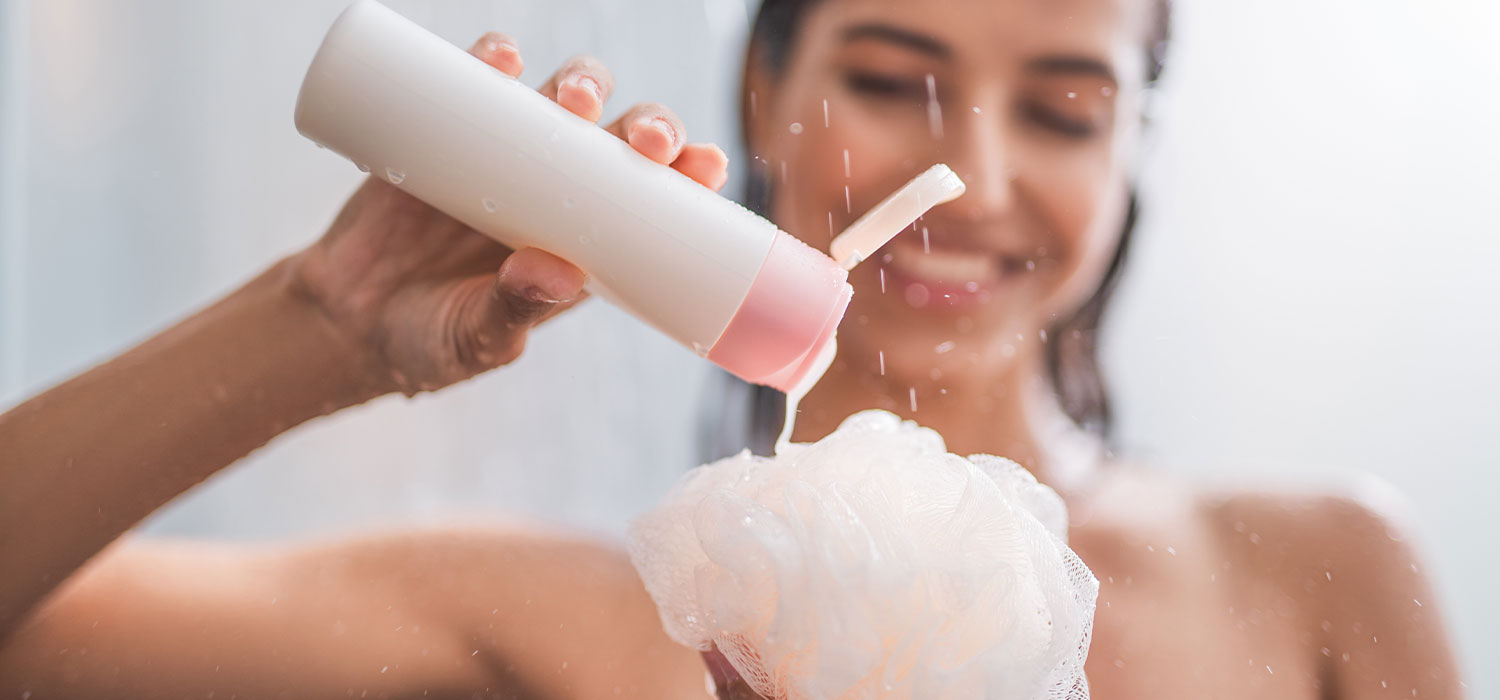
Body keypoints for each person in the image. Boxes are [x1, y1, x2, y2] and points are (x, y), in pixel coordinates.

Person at [0, 0, 1465, 698]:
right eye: (891, 81)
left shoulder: (1312, 577)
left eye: (1066, 110)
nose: (978, 177)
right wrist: (317, 329)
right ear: (768, 94)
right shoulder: (567, 620)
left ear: (1139, 150)